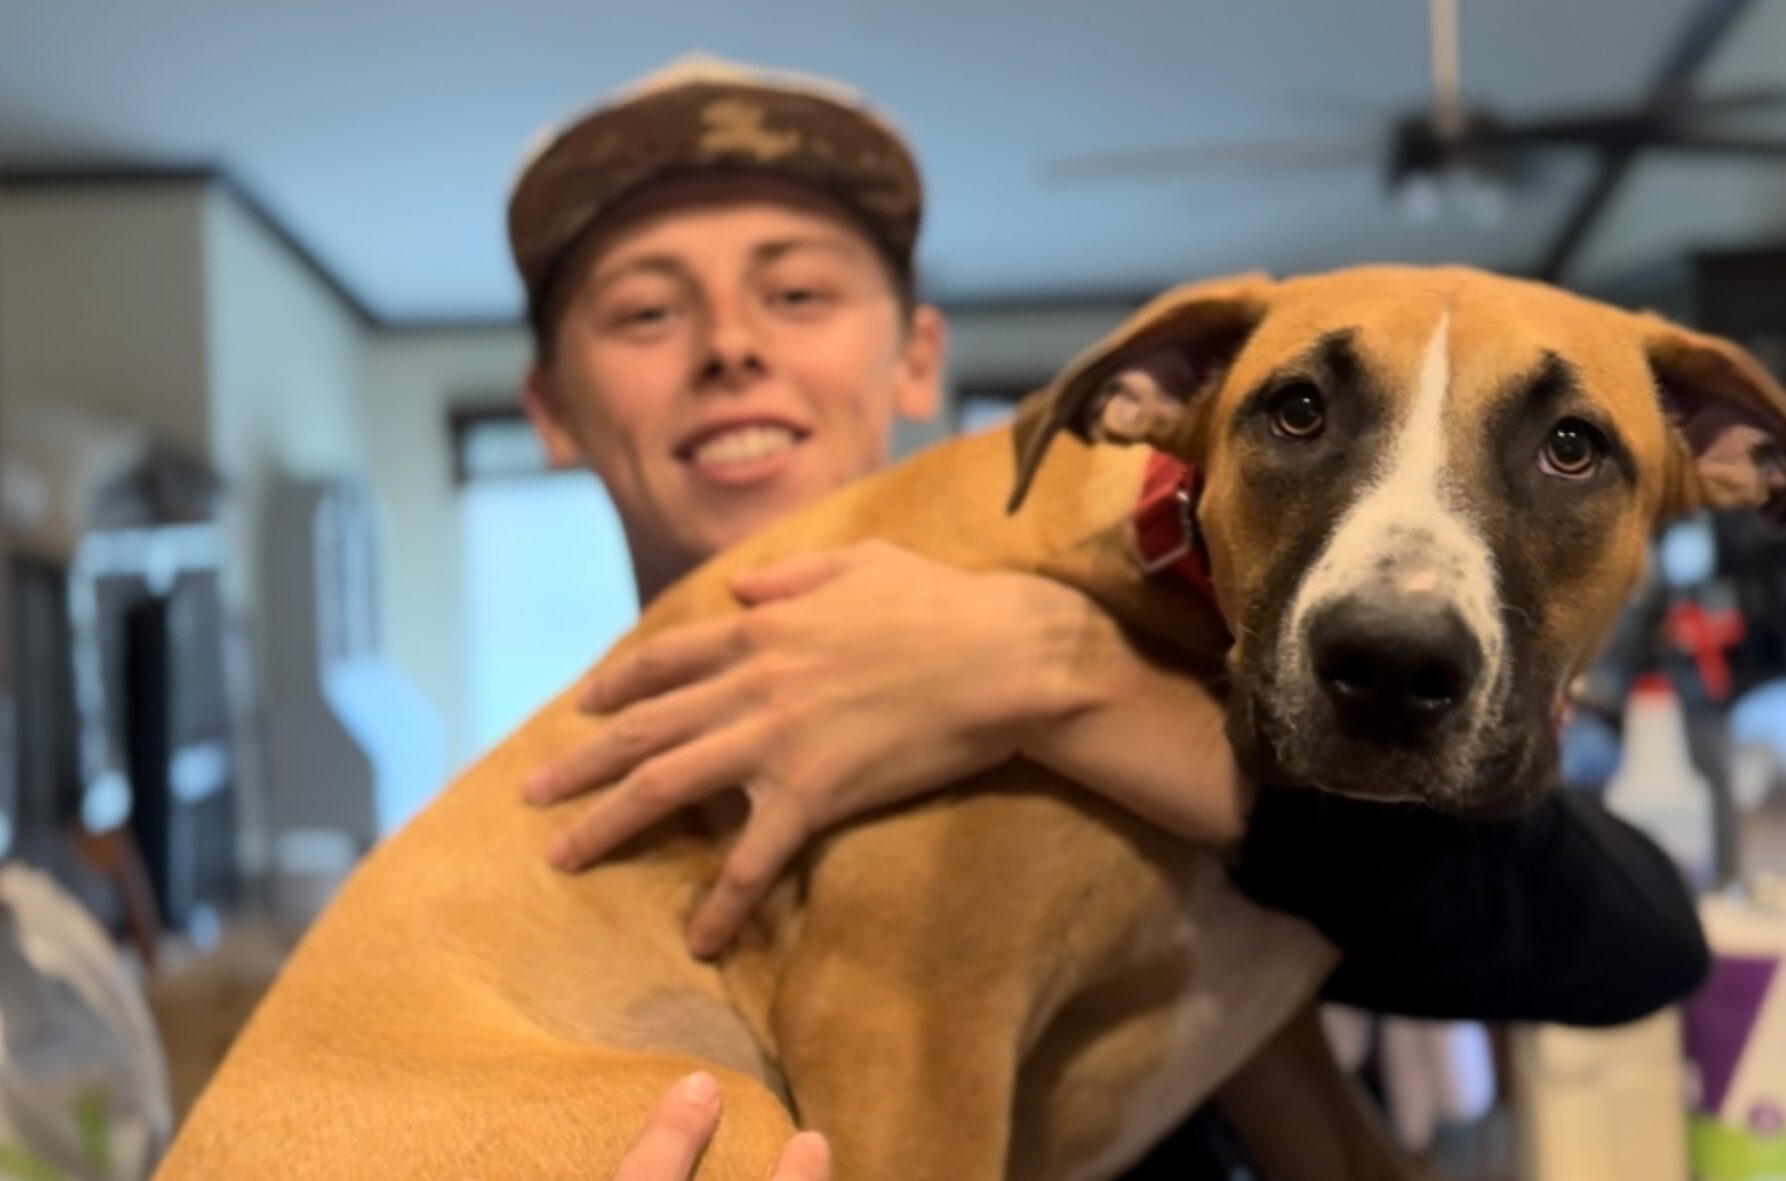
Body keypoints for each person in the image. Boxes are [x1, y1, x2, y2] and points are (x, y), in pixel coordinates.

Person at [502, 56, 1709, 1180]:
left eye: (798, 291)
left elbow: (1631, 936)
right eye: (647, 312)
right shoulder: (505, 821)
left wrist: (1066, 680)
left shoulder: (1144, 616)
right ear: (549, 408)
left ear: (919, 354)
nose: (731, 348)